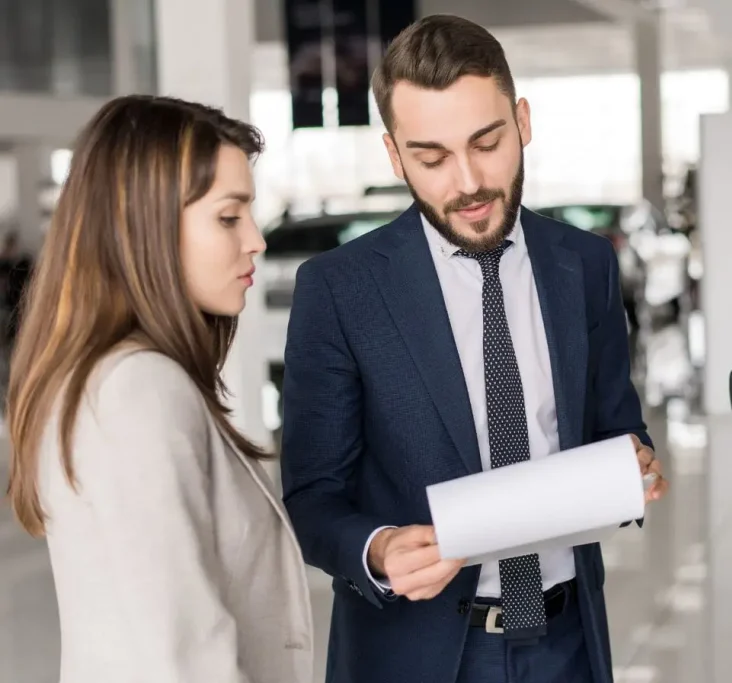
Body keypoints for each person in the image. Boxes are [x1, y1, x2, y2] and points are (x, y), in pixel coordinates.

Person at [281, 14, 668, 683]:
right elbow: (313, 496)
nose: (467, 182)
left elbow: (617, 426)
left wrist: (632, 463)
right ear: (395, 156)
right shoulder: (341, 288)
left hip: (567, 643)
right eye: (431, 159)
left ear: (522, 121)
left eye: (487, 143)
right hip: (415, 653)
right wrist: (378, 549)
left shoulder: (584, 265)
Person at [5, 95, 314, 683]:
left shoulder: (109, 379)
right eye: (229, 218)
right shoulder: (138, 390)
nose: (256, 239)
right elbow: (184, 655)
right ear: (146, 228)